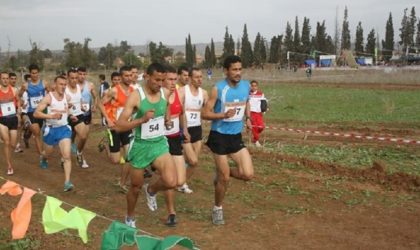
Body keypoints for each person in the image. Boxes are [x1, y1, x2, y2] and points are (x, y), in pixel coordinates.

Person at [115, 62, 178, 228]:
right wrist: (142, 120)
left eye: (163, 80)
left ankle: (151, 190)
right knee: (135, 187)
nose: (160, 83)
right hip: (140, 145)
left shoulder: (165, 92)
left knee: (171, 181)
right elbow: (120, 125)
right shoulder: (136, 96)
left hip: (159, 143)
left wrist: (167, 118)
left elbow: (167, 105)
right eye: (157, 80)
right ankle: (130, 217)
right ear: (147, 76)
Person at [202, 55, 254, 225]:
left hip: (236, 136)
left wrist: (247, 118)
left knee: (247, 174)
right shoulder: (218, 89)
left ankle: (222, 173)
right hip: (219, 137)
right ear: (226, 71)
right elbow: (205, 113)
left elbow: (246, 103)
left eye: (240, 69)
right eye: (234, 69)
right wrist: (222, 115)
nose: (238, 73)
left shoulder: (246, 86)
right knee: (224, 179)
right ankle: (217, 208)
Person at [34, 75, 74, 192]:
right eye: (61, 84)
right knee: (48, 153)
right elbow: (36, 113)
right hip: (51, 130)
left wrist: (70, 115)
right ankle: (44, 158)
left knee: (66, 156)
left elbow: (67, 109)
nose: (63, 87)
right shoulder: (48, 98)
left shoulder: (67, 97)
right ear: (55, 85)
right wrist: (51, 116)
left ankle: (67, 182)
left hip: (64, 129)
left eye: (64, 85)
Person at [98, 68, 134, 193]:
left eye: (131, 75)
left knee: (130, 156)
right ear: (122, 77)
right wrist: (107, 118)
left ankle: (122, 182)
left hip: (127, 127)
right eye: (126, 75)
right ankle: (106, 145)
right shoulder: (114, 91)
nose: (129, 78)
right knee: (116, 160)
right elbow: (100, 103)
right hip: (114, 127)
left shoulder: (133, 91)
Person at [162, 65, 187, 226]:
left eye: (174, 79)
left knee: (179, 181)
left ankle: (151, 189)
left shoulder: (178, 93)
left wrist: (184, 130)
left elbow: (182, 113)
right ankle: (171, 212)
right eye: (169, 79)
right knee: (169, 179)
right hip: (160, 141)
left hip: (175, 138)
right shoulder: (156, 96)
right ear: (162, 80)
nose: (172, 82)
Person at [178, 67, 208, 193]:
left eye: (201, 77)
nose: (199, 79)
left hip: (197, 128)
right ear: (190, 78)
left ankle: (180, 181)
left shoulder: (204, 93)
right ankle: (180, 182)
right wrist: (184, 130)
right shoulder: (182, 91)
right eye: (196, 77)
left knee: (192, 160)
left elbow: (208, 110)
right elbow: (179, 111)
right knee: (193, 161)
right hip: (184, 128)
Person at [18, 64, 48, 168]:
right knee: (36, 132)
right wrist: (21, 102)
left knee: (47, 134)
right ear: (30, 74)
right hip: (32, 112)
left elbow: (51, 94)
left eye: (36, 73)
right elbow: (19, 95)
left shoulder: (44, 83)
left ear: (38, 73)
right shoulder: (26, 85)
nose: (34, 75)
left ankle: (45, 151)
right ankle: (41, 156)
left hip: (43, 111)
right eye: (32, 73)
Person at [73, 66, 98, 168]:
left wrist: (94, 105)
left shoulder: (90, 85)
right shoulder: (73, 85)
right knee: (72, 137)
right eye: (80, 74)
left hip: (87, 114)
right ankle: (69, 158)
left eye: (84, 74)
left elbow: (95, 97)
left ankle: (79, 153)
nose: (82, 76)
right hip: (75, 115)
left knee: (84, 137)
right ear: (77, 74)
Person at [65, 68, 90, 169]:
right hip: (67, 117)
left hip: (78, 115)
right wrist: (69, 112)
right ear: (68, 78)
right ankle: (63, 159)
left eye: (76, 78)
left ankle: (79, 153)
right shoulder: (64, 89)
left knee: (83, 136)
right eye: (72, 78)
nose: (74, 80)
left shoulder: (79, 88)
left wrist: (82, 107)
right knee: (67, 141)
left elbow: (79, 100)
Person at [0, 72, 20, 175]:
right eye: (3, 78)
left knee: (12, 144)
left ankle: (9, 156)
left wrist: (19, 112)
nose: (5, 80)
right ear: (0, 79)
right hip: (2, 120)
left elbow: (18, 100)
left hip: (13, 119)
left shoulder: (14, 90)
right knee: (7, 142)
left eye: (7, 78)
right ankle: (9, 165)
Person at [8, 72, 24, 153]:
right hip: (5, 113)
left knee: (19, 125)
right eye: (12, 79)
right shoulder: (4, 88)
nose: (14, 80)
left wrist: (21, 104)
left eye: (15, 79)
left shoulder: (16, 89)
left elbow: (19, 100)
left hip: (15, 110)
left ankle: (17, 145)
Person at [249, 80, 267, 147]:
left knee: (261, 127)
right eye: (252, 86)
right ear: (250, 87)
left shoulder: (260, 94)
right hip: (251, 113)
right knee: (255, 127)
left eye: (255, 86)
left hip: (259, 113)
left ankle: (254, 137)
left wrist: (264, 110)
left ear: (257, 87)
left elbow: (264, 102)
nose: (253, 87)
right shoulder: (248, 94)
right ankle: (256, 140)